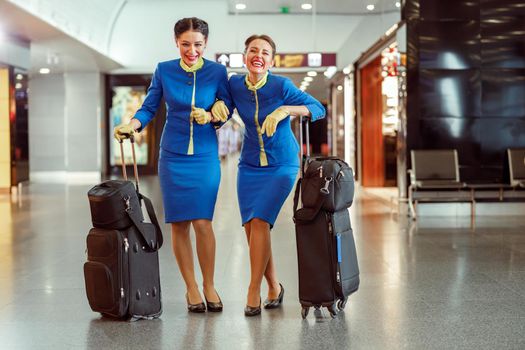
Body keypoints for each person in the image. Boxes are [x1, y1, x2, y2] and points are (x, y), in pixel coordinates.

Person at [114, 17, 232, 313]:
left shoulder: (217, 71)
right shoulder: (164, 70)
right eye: (185, 44)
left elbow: (227, 105)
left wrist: (217, 113)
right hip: (173, 155)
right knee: (179, 224)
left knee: (203, 222)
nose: (192, 50)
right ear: (176, 42)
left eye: (198, 45)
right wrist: (133, 124)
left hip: (205, 155)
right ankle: (191, 288)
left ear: (206, 44)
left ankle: (209, 285)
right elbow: (150, 106)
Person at [211, 34, 325, 316]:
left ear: (271, 60)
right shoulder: (235, 84)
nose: (257, 55)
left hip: (282, 164)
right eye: (252, 50)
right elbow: (223, 107)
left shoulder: (281, 85)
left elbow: (318, 108)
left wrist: (285, 110)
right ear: (245, 55)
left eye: (264, 52)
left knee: (260, 220)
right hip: (250, 166)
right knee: (252, 227)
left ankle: (253, 290)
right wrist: (217, 107)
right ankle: (274, 285)